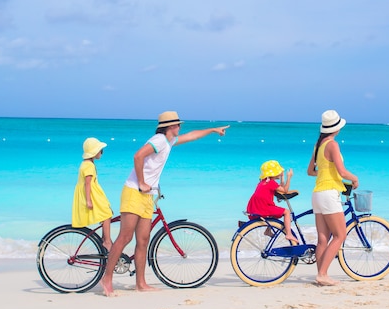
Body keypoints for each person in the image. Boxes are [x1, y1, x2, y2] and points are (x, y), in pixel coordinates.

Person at [100, 111, 229, 297]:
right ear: (170, 126)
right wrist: (143, 182)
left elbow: (191, 136)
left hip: (147, 195)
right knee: (125, 238)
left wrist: (212, 130)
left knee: (143, 240)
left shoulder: (169, 142)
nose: (180, 127)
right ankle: (107, 279)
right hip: (134, 192)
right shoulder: (159, 140)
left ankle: (141, 283)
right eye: (178, 125)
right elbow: (138, 156)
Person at [306, 110, 359, 286]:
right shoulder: (332, 145)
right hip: (329, 194)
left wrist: (328, 174)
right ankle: (322, 274)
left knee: (323, 238)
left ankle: (321, 275)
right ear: (337, 128)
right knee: (339, 235)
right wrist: (354, 178)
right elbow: (342, 171)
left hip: (317, 194)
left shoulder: (319, 145)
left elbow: (310, 172)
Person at [72, 137, 113, 251]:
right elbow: (87, 183)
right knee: (106, 214)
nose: (101, 153)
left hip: (94, 193)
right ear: (94, 152)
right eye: (100, 150)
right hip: (92, 194)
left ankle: (104, 239)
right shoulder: (88, 165)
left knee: (107, 214)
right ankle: (107, 241)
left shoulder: (86, 163)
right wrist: (89, 200)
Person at [246, 160, 298, 243]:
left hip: (255, 207)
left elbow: (279, 188)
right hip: (263, 207)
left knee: (274, 213)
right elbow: (284, 190)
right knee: (286, 212)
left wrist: (282, 177)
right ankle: (289, 234)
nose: (281, 172)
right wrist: (289, 177)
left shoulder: (264, 182)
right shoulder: (271, 183)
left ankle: (268, 230)